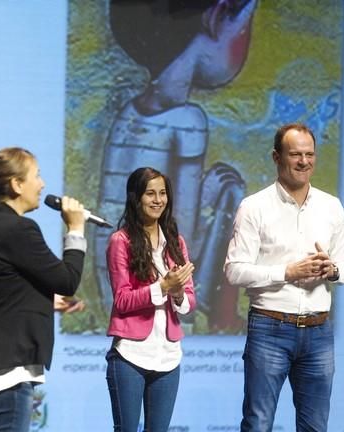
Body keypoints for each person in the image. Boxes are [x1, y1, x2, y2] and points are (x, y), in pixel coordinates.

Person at [94, 0, 257, 332]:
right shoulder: (189, 121)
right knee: (232, 188)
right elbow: (182, 229)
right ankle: (221, 316)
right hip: (152, 284)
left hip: (117, 276)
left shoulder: (129, 112)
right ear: (214, 18)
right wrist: (211, 193)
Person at [0, 147, 88, 432]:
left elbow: (1, 293)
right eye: (36, 176)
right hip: (3, 368)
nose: (43, 184)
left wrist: (42, 301)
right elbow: (67, 280)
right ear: (16, 184)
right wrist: (75, 230)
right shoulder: (17, 229)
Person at [224, 123, 344, 431]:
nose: (304, 162)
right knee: (258, 423)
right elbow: (234, 269)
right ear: (276, 157)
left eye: (310, 154)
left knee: (315, 426)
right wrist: (287, 272)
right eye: (295, 154)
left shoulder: (331, 206)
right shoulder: (254, 206)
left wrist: (331, 270)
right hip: (270, 327)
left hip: (319, 330)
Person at [105, 167, 197, 432]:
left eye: (162, 193)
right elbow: (122, 300)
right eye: (150, 194)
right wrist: (163, 287)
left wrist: (177, 292)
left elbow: (189, 302)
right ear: (136, 198)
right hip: (131, 355)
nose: (158, 200)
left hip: (168, 356)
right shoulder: (120, 241)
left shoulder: (175, 242)